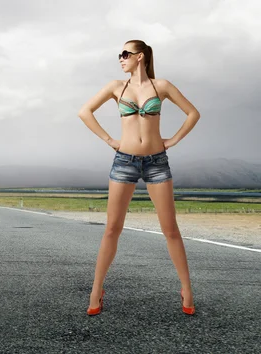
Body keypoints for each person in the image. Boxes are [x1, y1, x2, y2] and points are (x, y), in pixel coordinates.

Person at [77, 40, 201, 316]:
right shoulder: (115, 87)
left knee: (170, 229)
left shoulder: (162, 86)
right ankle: (96, 290)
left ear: (140, 57)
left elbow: (193, 113)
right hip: (125, 161)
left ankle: (187, 289)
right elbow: (84, 112)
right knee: (112, 229)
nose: (121, 59)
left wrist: (173, 140)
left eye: (125, 54)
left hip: (157, 162)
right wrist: (110, 140)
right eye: (120, 55)